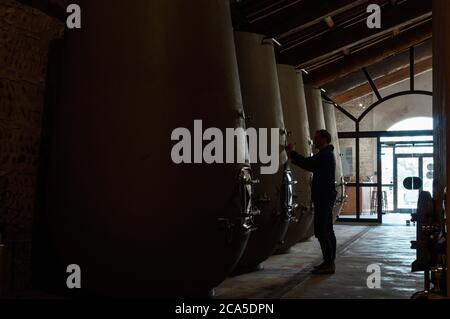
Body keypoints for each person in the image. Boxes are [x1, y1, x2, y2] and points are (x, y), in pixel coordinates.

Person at [287, 129, 337, 275]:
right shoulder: (327, 154)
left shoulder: (325, 154)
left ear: (323, 139)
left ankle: (329, 263)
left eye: (316, 138)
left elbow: (308, 164)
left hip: (323, 197)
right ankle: (330, 261)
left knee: (321, 231)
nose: (314, 141)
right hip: (326, 197)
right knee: (328, 229)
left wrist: (292, 153)